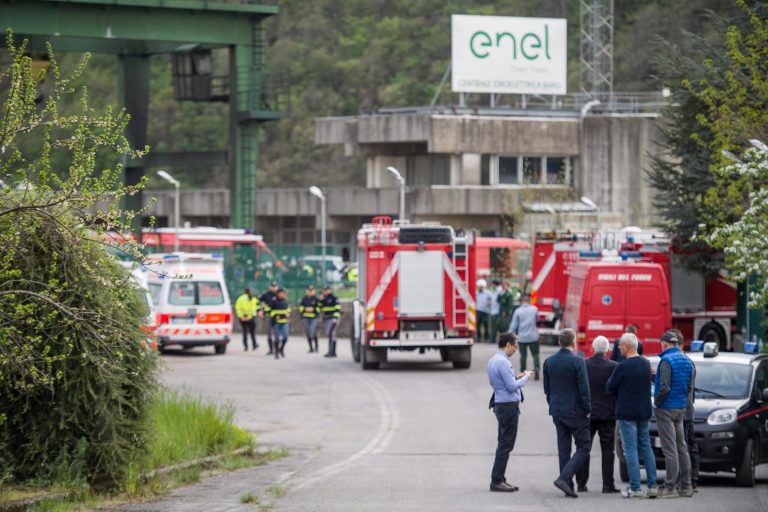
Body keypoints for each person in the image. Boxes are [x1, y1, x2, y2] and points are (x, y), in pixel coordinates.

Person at [605, 332, 659, 499]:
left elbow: (609, 388)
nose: (618, 347)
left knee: (630, 449)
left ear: (627, 347)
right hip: (644, 411)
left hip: (627, 412)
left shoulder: (622, 366)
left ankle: (635, 488)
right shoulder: (645, 363)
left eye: (620, 345)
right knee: (646, 447)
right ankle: (652, 486)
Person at [543, 328, 592, 498]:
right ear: (573, 343)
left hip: (557, 410)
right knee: (584, 446)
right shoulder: (578, 362)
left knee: (563, 448)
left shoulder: (549, 361)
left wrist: (553, 405)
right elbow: (584, 389)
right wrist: (587, 410)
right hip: (575, 411)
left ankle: (567, 484)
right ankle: (564, 478)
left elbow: (547, 389)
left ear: (558, 342)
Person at [487, 332, 533, 493]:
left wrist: (516, 377)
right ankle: (497, 480)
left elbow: (498, 382)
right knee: (506, 444)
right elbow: (512, 386)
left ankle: (500, 478)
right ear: (507, 345)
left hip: (500, 403)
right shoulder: (504, 362)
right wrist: (526, 377)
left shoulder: (493, 360)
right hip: (508, 406)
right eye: (515, 346)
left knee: (503, 443)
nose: (516, 349)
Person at [575, 336, 620, 493]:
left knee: (583, 448)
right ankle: (608, 485)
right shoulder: (615, 366)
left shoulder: (583, 364)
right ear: (607, 350)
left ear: (593, 349)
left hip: (587, 414)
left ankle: (581, 484)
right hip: (608, 415)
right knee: (608, 450)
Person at [654, 330, 694, 498]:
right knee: (682, 447)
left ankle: (670, 486)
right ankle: (686, 485)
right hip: (681, 408)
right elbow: (689, 387)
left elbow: (664, 387)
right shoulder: (687, 360)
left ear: (665, 343)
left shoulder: (665, 361)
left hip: (666, 408)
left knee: (669, 449)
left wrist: (657, 401)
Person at [668, 329, 699, 491]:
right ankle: (689, 480)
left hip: (681, 410)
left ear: (680, 345)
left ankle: (687, 481)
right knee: (686, 445)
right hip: (685, 410)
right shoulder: (687, 362)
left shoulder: (681, 362)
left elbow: (678, 387)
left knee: (683, 446)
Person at [509, 294, 540, 379]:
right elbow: (538, 319)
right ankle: (536, 368)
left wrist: (509, 335)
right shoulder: (535, 309)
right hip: (533, 336)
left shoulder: (518, 311)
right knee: (535, 354)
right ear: (529, 301)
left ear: (521, 301)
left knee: (523, 355)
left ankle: (523, 372)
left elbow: (514, 325)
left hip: (522, 338)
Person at [269, 288, 291, 359]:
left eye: (284, 293)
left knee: (285, 337)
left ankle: (281, 349)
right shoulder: (274, 301)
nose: (282, 295)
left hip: (284, 322)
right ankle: (276, 353)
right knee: (277, 338)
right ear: (278, 294)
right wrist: (275, 315)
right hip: (276, 323)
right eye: (281, 293)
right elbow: (270, 311)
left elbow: (289, 309)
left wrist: (288, 313)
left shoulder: (286, 301)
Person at [320, 285, 341, 358]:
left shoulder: (334, 298)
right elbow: (320, 307)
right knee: (330, 334)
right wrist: (320, 300)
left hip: (333, 319)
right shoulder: (324, 298)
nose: (325, 291)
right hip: (327, 319)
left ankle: (332, 352)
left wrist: (335, 317)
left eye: (326, 290)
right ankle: (332, 352)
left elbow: (337, 308)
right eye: (324, 290)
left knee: (331, 334)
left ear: (329, 290)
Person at [259, 282, 279, 355]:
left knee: (277, 333)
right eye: (272, 286)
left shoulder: (279, 295)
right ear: (270, 287)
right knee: (269, 333)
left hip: (277, 317)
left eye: (275, 286)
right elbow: (258, 302)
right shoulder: (266, 295)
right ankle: (271, 349)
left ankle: (276, 348)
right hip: (268, 316)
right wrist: (260, 311)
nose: (274, 288)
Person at [299, 285, 320, 353]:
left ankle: (316, 347)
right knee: (308, 333)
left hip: (313, 318)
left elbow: (319, 307)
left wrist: (313, 309)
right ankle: (311, 348)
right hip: (306, 318)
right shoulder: (304, 299)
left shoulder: (316, 299)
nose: (310, 292)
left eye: (311, 290)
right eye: (309, 290)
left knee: (312, 332)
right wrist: (305, 309)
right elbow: (300, 307)